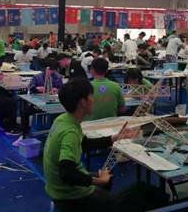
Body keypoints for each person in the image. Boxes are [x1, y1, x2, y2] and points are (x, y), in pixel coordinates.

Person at [43, 79, 167, 212]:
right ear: (83, 102)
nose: (93, 100)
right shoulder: (70, 132)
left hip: (56, 188)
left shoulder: (63, 119)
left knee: (108, 177)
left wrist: (114, 138)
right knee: (142, 194)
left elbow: (84, 144)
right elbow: (67, 173)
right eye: (91, 96)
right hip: (69, 197)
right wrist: (98, 181)